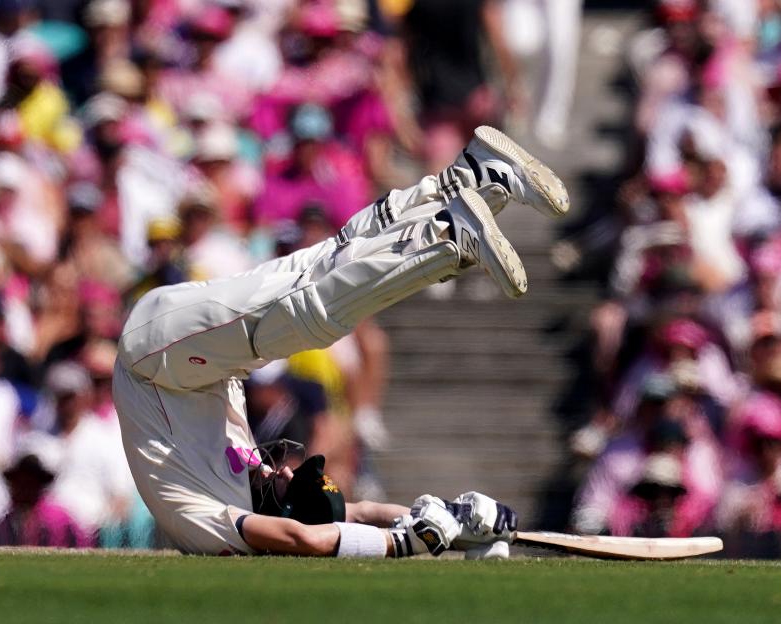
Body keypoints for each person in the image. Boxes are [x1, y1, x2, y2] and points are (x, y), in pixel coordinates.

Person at [113, 126, 569, 557]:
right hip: (191, 357)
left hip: (156, 359)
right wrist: (452, 524)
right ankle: (476, 175)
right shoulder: (261, 500)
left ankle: (446, 236)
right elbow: (361, 513)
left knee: (305, 318)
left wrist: (402, 544)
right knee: (321, 264)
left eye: (293, 484)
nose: (285, 468)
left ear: (286, 511)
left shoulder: (212, 524)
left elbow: (304, 537)